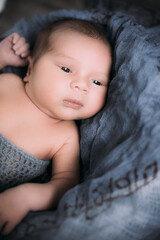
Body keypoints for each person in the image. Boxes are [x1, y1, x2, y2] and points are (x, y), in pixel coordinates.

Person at [0, 19, 112, 235]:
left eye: (97, 82)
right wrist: (2, 56)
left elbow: (65, 184)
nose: (81, 85)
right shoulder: (7, 84)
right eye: (66, 68)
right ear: (30, 68)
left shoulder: (65, 135)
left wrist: (26, 197)